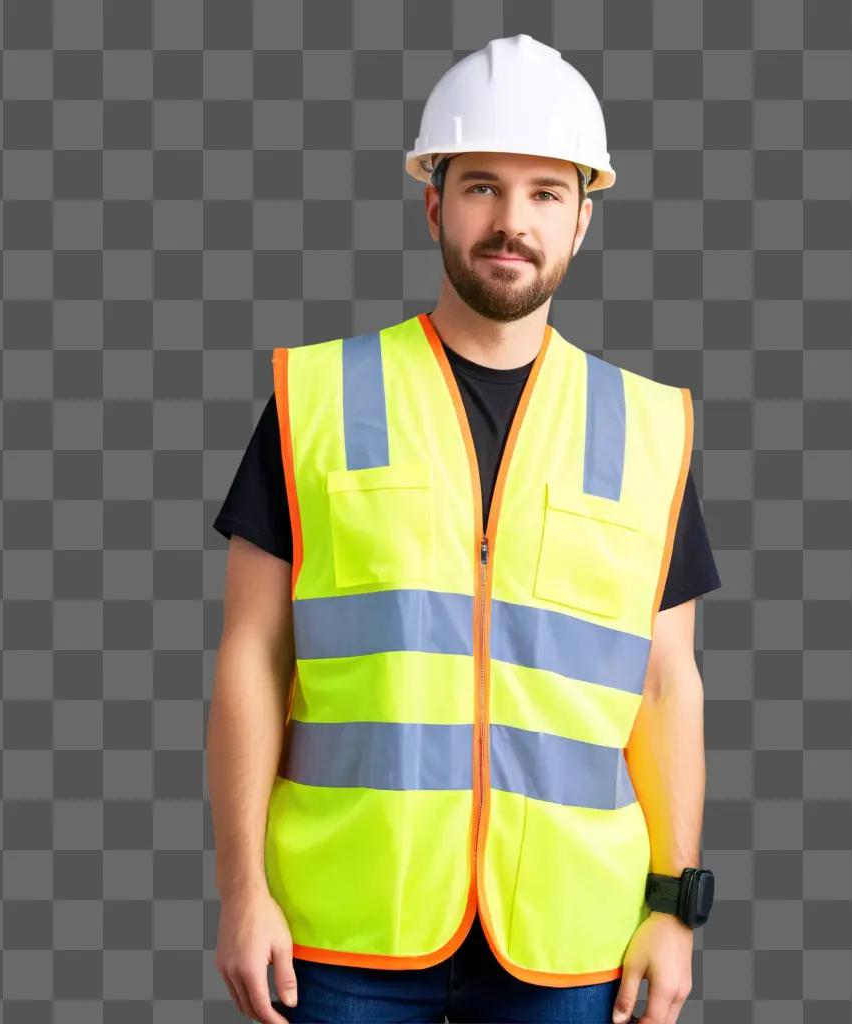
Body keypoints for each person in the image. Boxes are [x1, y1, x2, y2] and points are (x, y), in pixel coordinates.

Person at [208, 33, 721, 1024]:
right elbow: (250, 652)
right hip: (340, 923)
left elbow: (666, 682)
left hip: (576, 933)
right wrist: (241, 892)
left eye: (544, 193)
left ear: (582, 220)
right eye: (482, 186)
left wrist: (673, 905)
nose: (511, 221)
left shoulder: (648, 427)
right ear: (434, 201)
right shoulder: (314, 396)